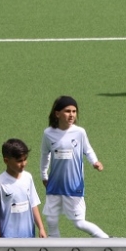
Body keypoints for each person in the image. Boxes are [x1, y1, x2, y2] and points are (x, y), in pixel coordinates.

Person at [40, 96, 108, 239]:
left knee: (79, 223)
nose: (71, 115)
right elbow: (45, 155)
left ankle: (107, 241)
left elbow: (87, 150)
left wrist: (95, 162)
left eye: (74, 111)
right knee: (51, 219)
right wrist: (44, 175)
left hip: (73, 185)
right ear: (57, 113)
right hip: (54, 185)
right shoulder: (48, 133)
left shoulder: (79, 132)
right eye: (67, 111)